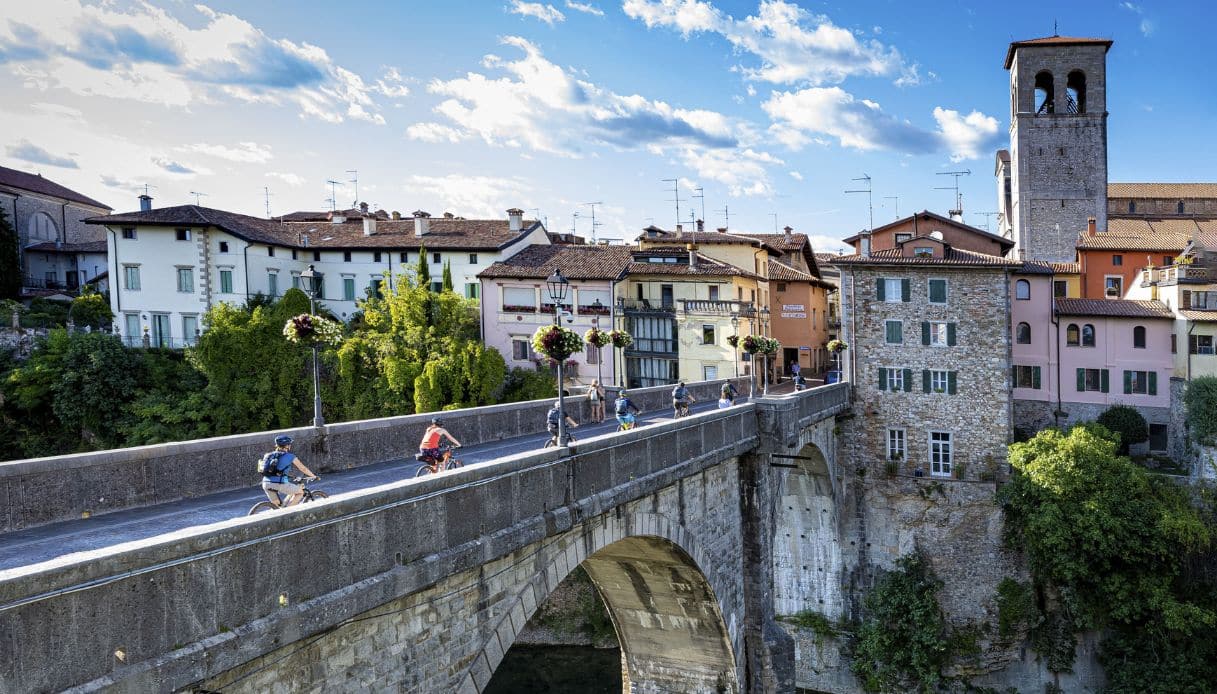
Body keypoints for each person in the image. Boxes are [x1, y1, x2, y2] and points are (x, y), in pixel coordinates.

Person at [260, 435, 317, 508]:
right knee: (300, 492)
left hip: (266, 483)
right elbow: (303, 468)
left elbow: (274, 469)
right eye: (289, 444)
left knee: (277, 507)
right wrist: (313, 476)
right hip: (279, 483)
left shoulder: (268, 455)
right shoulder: (290, 456)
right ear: (287, 446)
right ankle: (289, 511)